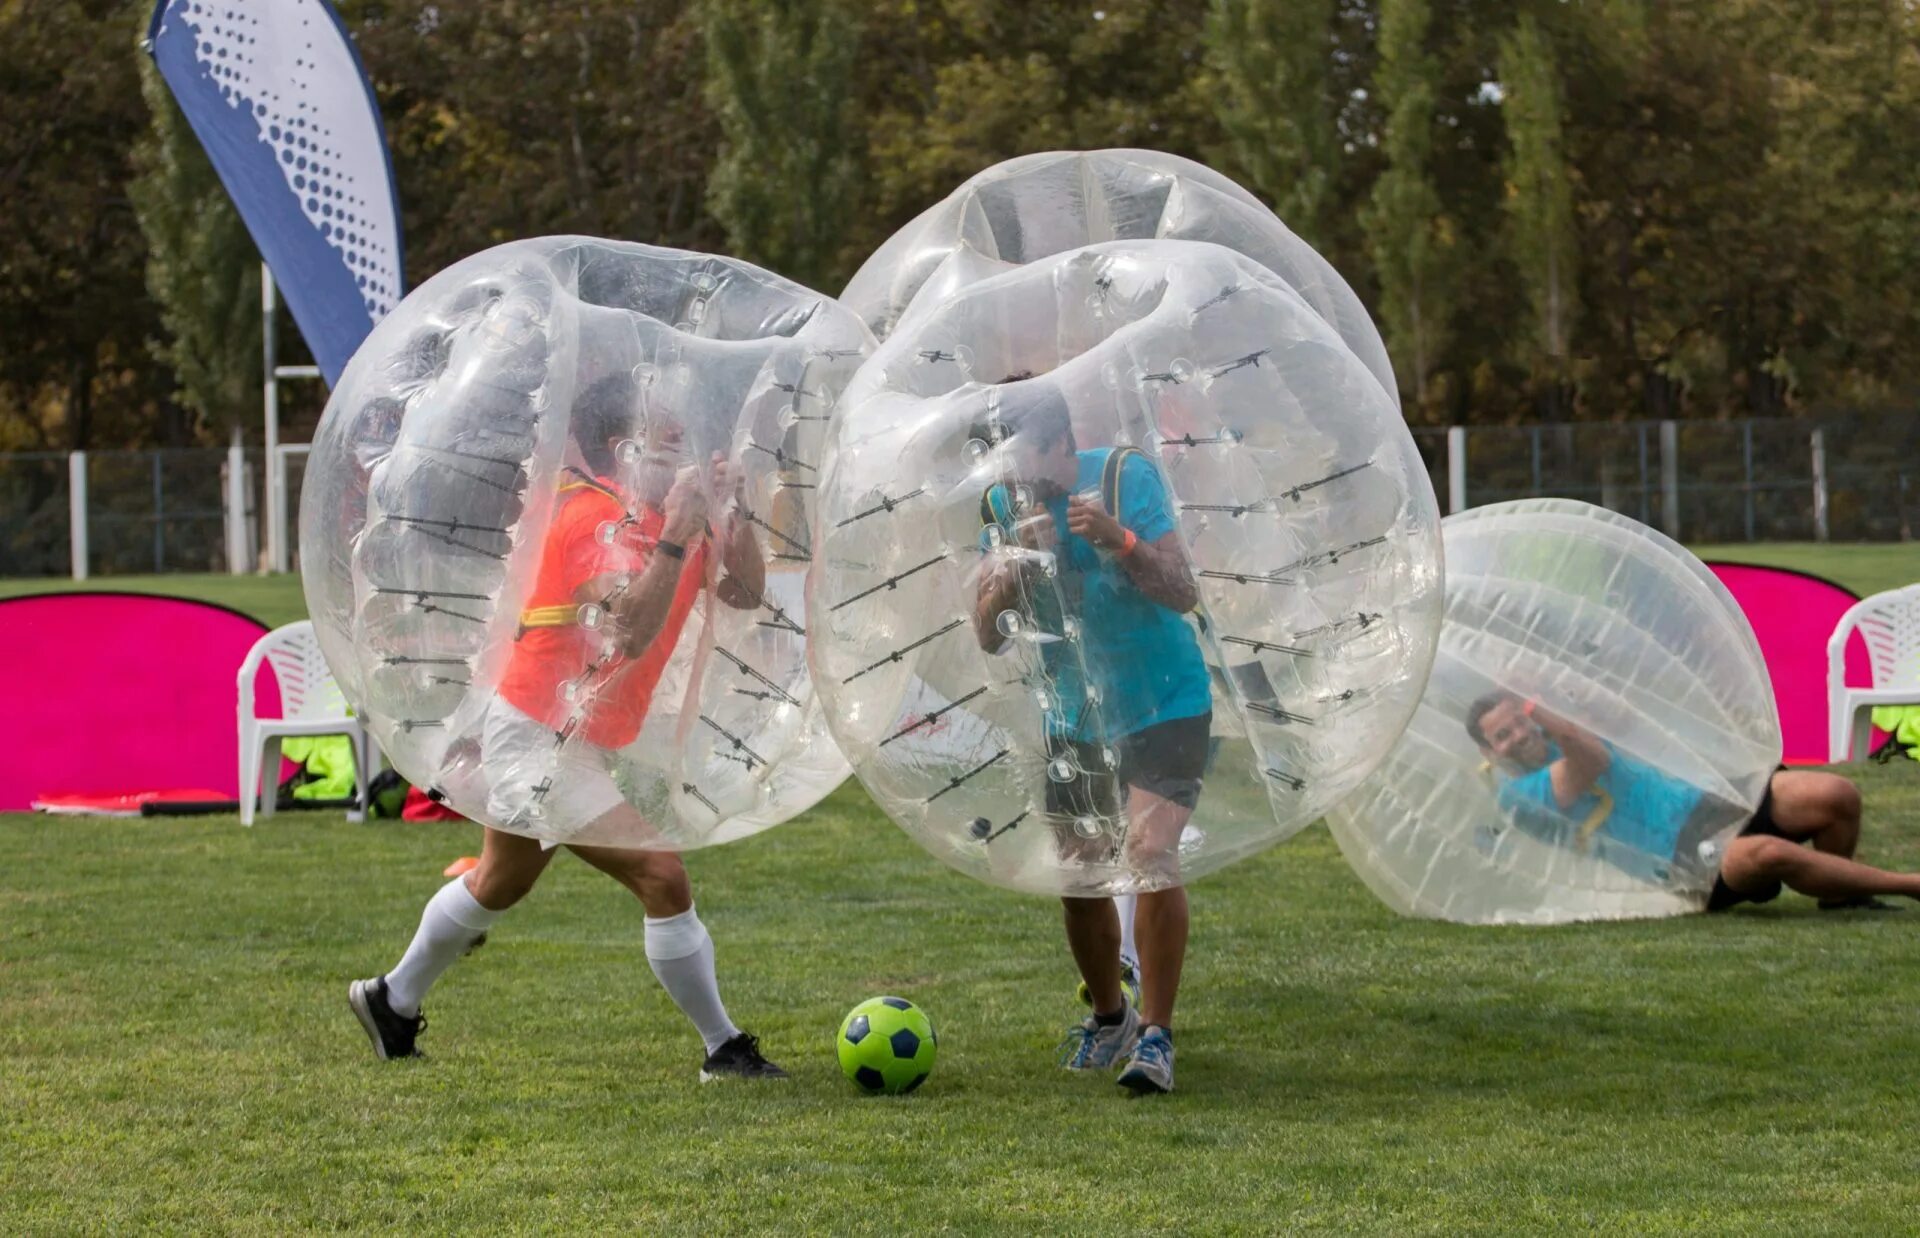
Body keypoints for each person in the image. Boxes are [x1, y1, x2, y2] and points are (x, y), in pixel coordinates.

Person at [348, 375, 787, 1080]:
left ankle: (389, 1000)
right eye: (669, 441)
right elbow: (631, 631)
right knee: (661, 874)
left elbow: (745, 590)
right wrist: (678, 530)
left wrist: (733, 518)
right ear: (624, 449)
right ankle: (723, 1049)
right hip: (537, 736)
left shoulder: (665, 516)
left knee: (499, 880)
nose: (683, 455)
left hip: (570, 734)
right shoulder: (590, 519)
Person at [971, 377, 1212, 1094]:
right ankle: (1112, 1018)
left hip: (1164, 699)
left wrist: (1121, 539)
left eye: (1022, 457)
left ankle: (1158, 1037)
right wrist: (1012, 570)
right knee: (1080, 875)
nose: (1011, 475)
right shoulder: (1000, 504)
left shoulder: (1122, 474)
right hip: (1075, 714)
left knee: (1150, 852)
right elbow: (986, 635)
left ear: (1061, 444)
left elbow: (1182, 590)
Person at [1467, 690, 1920, 912]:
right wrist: (1534, 704)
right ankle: (1907, 884)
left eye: (1519, 724)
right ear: (1490, 753)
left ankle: (1841, 897)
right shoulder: (1519, 797)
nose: (1520, 736)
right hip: (1682, 859)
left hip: (1708, 802)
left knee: (1835, 794)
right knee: (1768, 853)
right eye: (1503, 735)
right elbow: (1591, 759)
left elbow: (1623, 707)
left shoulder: (1563, 733)